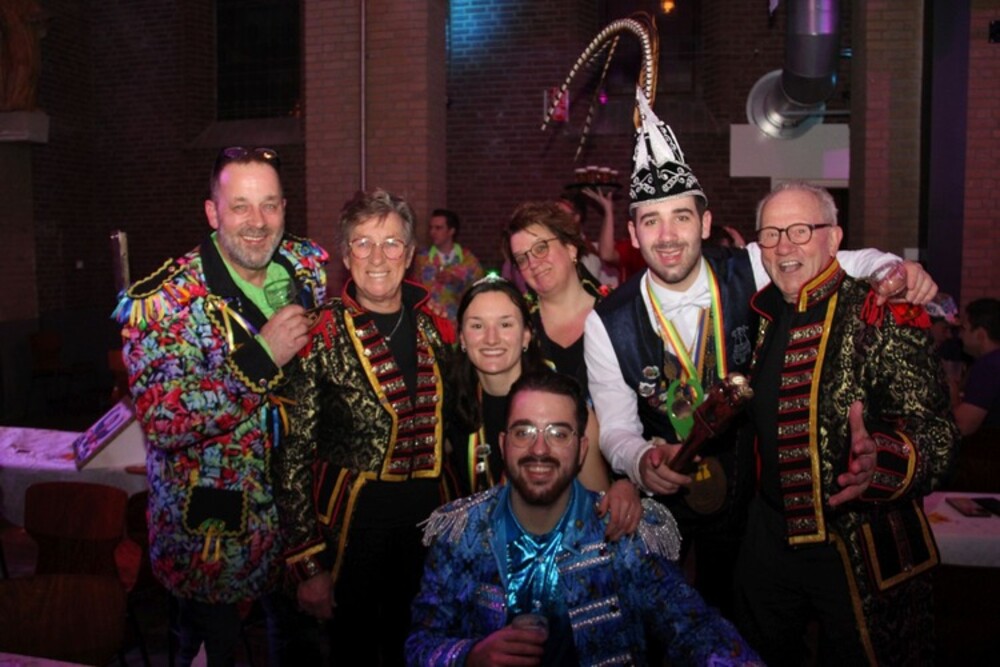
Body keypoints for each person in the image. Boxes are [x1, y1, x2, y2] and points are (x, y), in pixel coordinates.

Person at [584, 89, 937, 618]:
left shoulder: (749, 265)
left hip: (755, 506)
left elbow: (838, 258)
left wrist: (893, 268)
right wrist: (638, 460)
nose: (668, 235)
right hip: (666, 506)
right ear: (633, 233)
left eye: (681, 217)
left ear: (705, 224)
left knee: (744, 625)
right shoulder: (605, 321)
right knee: (662, 625)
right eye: (651, 221)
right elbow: (614, 428)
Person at [114, 146, 327, 665]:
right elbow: (162, 419)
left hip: (300, 523)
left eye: (270, 205)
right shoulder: (165, 301)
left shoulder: (307, 269)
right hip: (212, 533)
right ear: (213, 213)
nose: (258, 222)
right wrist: (261, 357)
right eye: (240, 206)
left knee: (303, 651)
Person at [735, 180, 958, 666]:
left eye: (800, 230)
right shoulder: (760, 314)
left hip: (859, 550)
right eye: (771, 234)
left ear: (834, 239)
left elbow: (938, 435)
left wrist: (884, 462)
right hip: (769, 545)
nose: (784, 247)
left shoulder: (882, 311)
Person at [406, 370, 764, 667]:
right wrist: (469, 656)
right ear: (503, 445)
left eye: (559, 434)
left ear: (581, 450)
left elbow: (694, 627)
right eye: (524, 432)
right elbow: (420, 644)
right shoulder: (460, 531)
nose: (539, 449)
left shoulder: (622, 531)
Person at [274, 188, 455, 666]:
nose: (378, 257)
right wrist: (308, 564)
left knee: (416, 651)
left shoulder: (436, 331)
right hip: (350, 541)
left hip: (427, 538)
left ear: (410, 255)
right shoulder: (317, 334)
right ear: (345, 255)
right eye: (363, 243)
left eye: (392, 243)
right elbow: (291, 456)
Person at [448, 275, 640, 540]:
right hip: (480, 550)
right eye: (477, 325)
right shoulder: (449, 406)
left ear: (526, 335)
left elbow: (599, 510)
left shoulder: (565, 405)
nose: (491, 338)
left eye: (505, 324)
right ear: (461, 337)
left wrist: (625, 487)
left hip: (561, 551)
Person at [502, 200, 609, 385]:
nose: (533, 263)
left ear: (570, 248)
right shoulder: (518, 323)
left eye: (541, 248)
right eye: (522, 259)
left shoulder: (616, 312)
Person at [412, 208, 484, 323]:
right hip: (430, 322)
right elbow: (414, 291)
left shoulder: (468, 260)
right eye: (431, 228)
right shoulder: (422, 259)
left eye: (438, 228)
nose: (432, 232)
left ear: (451, 231)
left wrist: (457, 282)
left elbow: (479, 292)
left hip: (459, 322)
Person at [953, 297, 1000, 436]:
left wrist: (951, 391)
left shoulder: (989, 366)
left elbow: (963, 426)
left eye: (964, 329)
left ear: (980, 335)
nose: (960, 335)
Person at [557, 190, 619, 287]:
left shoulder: (588, 255)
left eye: (561, 214)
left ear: (576, 217)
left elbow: (587, 288)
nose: (555, 218)